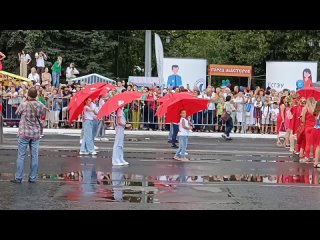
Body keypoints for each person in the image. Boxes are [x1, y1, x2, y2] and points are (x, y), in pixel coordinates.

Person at [10, 87, 46, 183]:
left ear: (28, 95)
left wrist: (25, 101)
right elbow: (43, 114)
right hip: (35, 133)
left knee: (21, 155)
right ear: (36, 95)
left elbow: (17, 113)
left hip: (24, 132)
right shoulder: (40, 105)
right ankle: (33, 178)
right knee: (35, 156)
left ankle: (19, 178)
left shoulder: (24, 104)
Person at [301, 97, 316, 162]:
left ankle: (307, 157)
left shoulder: (305, 108)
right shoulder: (316, 109)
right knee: (315, 144)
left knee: (308, 143)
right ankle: (315, 157)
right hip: (315, 128)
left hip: (308, 127)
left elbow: (303, 120)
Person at [313, 101, 320, 168]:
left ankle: (316, 161)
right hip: (319, 130)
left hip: (316, 129)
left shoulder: (316, 112)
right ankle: (316, 162)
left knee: (318, 146)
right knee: (318, 146)